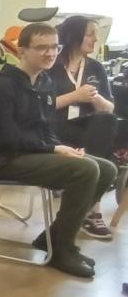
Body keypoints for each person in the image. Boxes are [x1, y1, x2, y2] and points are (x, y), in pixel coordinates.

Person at [0, 22, 118, 278]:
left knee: (107, 169)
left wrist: (62, 147)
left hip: (31, 153)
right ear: (22, 51)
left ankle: (52, 239)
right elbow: (4, 137)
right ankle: (62, 249)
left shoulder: (43, 82)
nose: (50, 53)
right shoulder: (1, 85)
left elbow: (44, 127)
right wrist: (53, 148)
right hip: (4, 159)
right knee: (86, 170)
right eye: (42, 47)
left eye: (55, 47)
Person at [44, 15, 126, 240]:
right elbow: (39, 106)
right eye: (91, 34)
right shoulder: (51, 65)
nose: (96, 40)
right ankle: (91, 211)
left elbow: (109, 108)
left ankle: (87, 202)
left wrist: (95, 98)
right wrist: (74, 96)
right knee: (103, 144)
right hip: (53, 127)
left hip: (86, 130)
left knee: (107, 122)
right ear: (74, 36)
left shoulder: (96, 67)